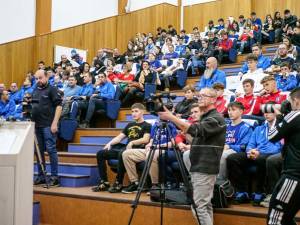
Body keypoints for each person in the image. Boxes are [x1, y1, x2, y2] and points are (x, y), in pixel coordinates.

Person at [158, 88, 226, 225]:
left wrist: (171, 117)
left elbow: (196, 130)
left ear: (214, 99)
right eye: (199, 96)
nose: (199, 98)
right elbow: (195, 137)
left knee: (199, 207)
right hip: (199, 165)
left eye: (203, 96)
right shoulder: (206, 117)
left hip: (205, 167)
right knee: (205, 205)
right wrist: (174, 119)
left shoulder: (216, 118)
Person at [227, 107, 282, 206]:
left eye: (270, 112)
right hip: (255, 153)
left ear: (276, 114)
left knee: (261, 159)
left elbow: (278, 147)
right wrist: (249, 151)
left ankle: (259, 191)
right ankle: (242, 192)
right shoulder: (259, 128)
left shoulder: (280, 128)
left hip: (268, 155)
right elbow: (251, 143)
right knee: (233, 158)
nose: (266, 114)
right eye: (265, 112)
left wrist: (258, 152)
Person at [91, 103, 151, 193]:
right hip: (126, 148)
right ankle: (105, 182)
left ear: (142, 112)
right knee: (101, 153)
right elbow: (119, 138)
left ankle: (118, 182)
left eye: (136, 111)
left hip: (136, 150)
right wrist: (109, 143)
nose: (133, 113)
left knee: (122, 153)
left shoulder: (147, 125)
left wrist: (132, 142)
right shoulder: (130, 125)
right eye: (132, 111)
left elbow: (146, 139)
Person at [267, 87, 300, 224]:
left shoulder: (295, 115)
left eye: (290, 102)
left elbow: (272, 136)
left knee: (276, 219)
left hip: (294, 176)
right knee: (287, 217)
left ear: (296, 101)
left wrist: (280, 116)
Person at [122, 120, 177, 193]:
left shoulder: (172, 125)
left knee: (151, 154)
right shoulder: (155, 125)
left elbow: (173, 143)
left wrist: (157, 146)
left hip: (165, 150)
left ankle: (155, 184)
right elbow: (151, 141)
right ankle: (135, 183)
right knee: (127, 154)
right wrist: (148, 145)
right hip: (152, 149)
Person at [32, 70, 62, 187]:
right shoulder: (35, 90)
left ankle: (54, 177)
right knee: (38, 152)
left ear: (46, 77)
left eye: (40, 78)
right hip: (36, 126)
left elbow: (59, 106)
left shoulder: (52, 89)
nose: (38, 80)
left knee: (51, 150)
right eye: (36, 78)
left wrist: (54, 123)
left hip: (48, 125)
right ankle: (41, 176)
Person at [218, 102, 253, 180]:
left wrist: (229, 146)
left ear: (241, 111)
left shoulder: (246, 128)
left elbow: (243, 146)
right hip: (223, 149)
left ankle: (221, 182)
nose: (230, 112)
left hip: (235, 151)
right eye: (229, 110)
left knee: (222, 155)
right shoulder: (225, 126)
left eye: (233, 110)